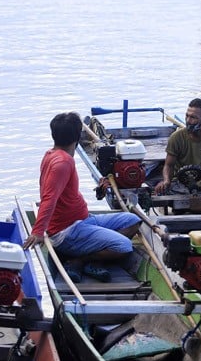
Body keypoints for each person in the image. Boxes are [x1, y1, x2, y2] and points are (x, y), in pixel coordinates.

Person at [23, 112, 141, 283]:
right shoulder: (63, 163)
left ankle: (91, 254)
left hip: (83, 220)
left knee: (133, 220)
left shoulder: (52, 154)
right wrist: (38, 231)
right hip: (68, 232)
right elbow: (49, 198)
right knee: (124, 246)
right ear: (77, 137)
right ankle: (81, 260)